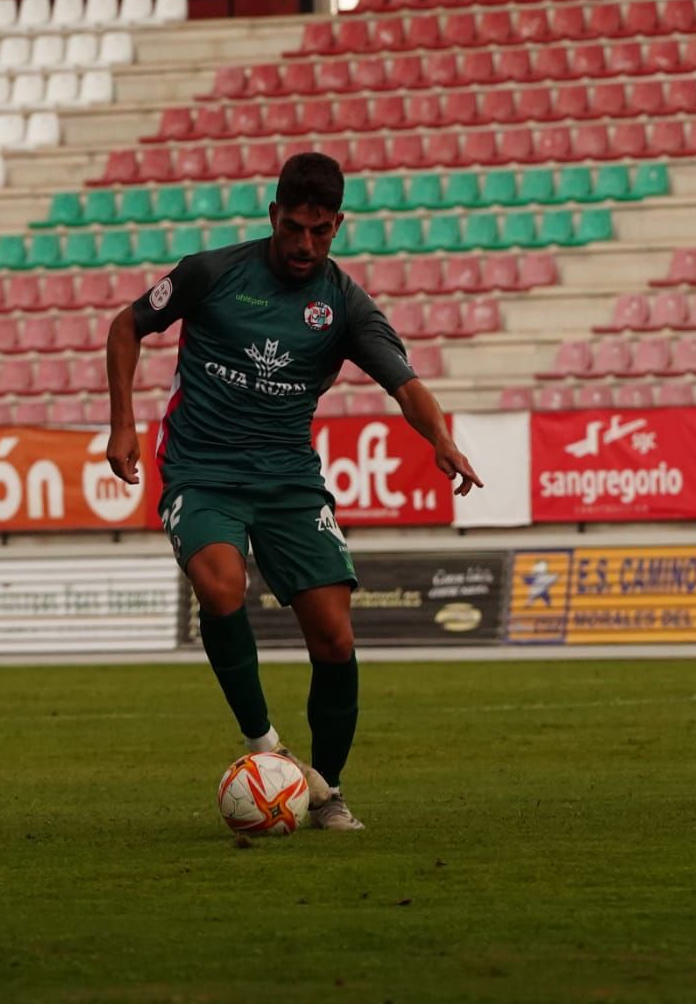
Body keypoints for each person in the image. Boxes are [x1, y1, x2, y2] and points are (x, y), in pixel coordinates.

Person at [103, 153, 483, 831]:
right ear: (273, 216)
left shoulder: (343, 304)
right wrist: (122, 425)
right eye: (295, 229)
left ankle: (328, 791)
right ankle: (265, 749)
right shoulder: (210, 273)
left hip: (289, 481)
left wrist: (442, 440)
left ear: (338, 225)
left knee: (334, 638)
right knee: (221, 588)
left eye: (321, 232)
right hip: (202, 469)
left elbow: (405, 384)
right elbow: (126, 326)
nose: (306, 244)